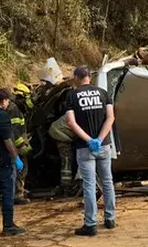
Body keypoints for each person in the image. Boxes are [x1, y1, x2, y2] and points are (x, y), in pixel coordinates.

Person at [65, 66, 117, 236]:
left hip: (84, 147)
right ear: (89, 77)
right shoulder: (103, 93)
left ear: (76, 78)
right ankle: (110, 219)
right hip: (104, 145)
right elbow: (111, 117)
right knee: (108, 181)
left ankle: (91, 224)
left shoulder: (72, 96)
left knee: (89, 185)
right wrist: (100, 139)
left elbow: (71, 123)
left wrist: (89, 140)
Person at [0, 88, 26, 236]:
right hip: (4, 160)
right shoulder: (3, 116)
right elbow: (7, 140)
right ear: (3, 101)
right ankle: (8, 224)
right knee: (8, 191)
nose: (8, 103)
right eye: (8, 100)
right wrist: (16, 157)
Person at [10, 83, 33, 204]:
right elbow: (14, 129)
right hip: (15, 146)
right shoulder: (14, 109)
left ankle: (19, 190)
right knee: (21, 169)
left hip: (15, 144)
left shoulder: (15, 107)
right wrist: (21, 145)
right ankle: (18, 194)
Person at [48, 113, 77, 194]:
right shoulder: (82, 113)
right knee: (67, 159)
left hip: (58, 131)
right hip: (59, 133)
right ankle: (66, 187)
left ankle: (66, 185)